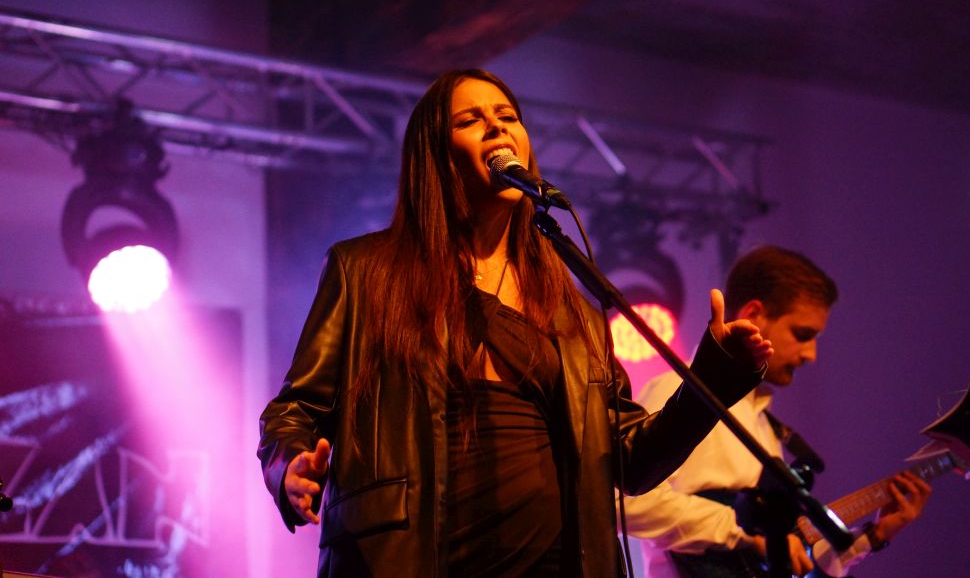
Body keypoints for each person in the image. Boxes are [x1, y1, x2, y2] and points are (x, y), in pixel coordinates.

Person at [257, 68, 773, 577]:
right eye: (470, 120)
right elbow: (294, 410)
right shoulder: (366, 272)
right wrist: (291, 466)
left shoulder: (570, 310)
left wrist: (713, 378)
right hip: (413, 560)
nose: (497, 127)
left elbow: (631, 461)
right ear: (434, 157)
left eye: (507, 116)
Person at [623, 246, 933, 578]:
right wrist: (742, 529)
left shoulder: (764, 424)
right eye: (803, 334)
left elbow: (785, 559)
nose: (811, 354)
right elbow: (624, 501)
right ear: (754, 314)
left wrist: (872, 537)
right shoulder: (678, 389)